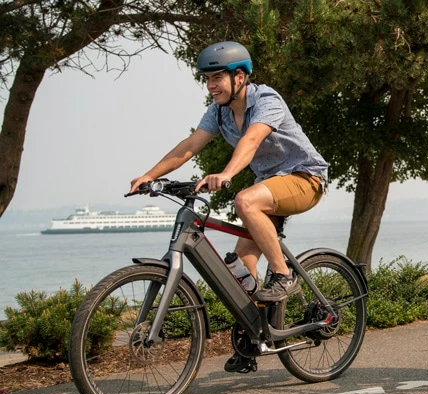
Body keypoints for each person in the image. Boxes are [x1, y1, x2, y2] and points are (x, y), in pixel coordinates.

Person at [129, 41, 329, 372]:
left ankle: (283, 274)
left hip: (304, 179)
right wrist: (149, 175)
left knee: (244, 199)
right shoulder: (219, 110)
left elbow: (251, 140)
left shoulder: (266, 100)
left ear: (240, 77)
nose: (210, 86)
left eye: (217, 78)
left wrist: (226, 173)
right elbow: (191, 145)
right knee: (240, 271)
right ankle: (255, 340)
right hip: (268, 189)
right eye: (207, 79)